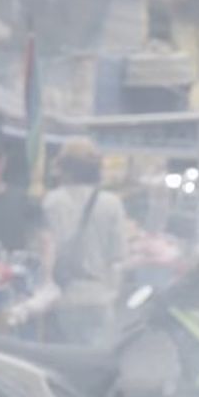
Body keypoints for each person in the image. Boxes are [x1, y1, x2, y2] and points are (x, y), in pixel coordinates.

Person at [43, 139, 127, 345]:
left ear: (65, 169)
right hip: (100, 297)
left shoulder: (51, 202)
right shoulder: (112, 203)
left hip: (62, 298)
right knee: (95, 362)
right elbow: (117, 255)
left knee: (63, 362)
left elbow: (44, 251)